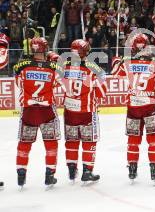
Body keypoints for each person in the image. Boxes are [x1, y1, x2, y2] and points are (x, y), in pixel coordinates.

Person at [111, 33, 155, 185]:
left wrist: (116, 60)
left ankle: (132, 169)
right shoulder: (154, 64)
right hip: (150, 107)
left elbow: (114, 73)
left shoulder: (127, 62)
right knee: (154, 139)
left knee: (133, 140)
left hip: (133, 107)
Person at [13, 37, 62, 189]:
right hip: (46, 111)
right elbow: (61, 80)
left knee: (24, 144)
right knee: (51, 143)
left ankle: (21, 175)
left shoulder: (22, 67)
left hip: (29, 110)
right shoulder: (52, 67)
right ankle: (49, 175)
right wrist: (55, 60)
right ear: (45, 49)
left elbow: (18, 82)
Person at [61, 39, 106, 184]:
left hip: (69, 111)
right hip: (87, 111)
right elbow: (102, 92)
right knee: (89, 142)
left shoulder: (63, 66)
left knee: (71, 142)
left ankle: (72, 171)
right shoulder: (93, 68)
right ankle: (87, 171)